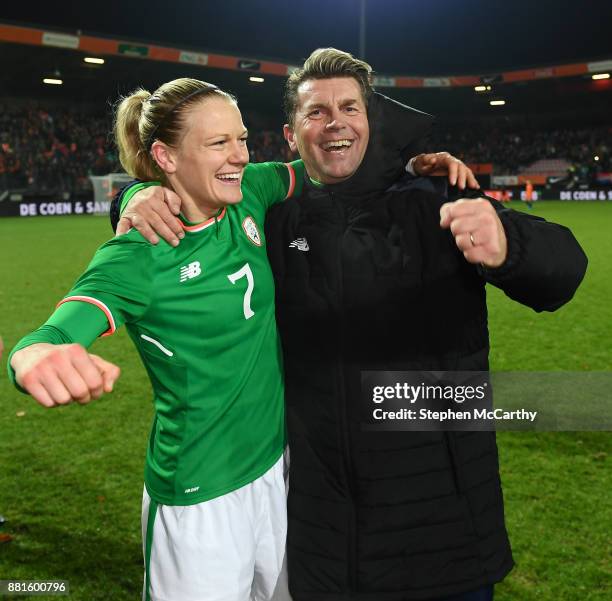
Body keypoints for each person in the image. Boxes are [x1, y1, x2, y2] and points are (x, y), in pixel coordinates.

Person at [117, 49, 588, 601]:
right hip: (323, 546)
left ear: (370, 122)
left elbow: (563, 273)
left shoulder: (432, 198)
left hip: (442, 538)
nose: (335, 122)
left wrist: (511, 245)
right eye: (316, 113)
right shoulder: (266, 219)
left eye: (350, 108)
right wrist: (141, 193)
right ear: (291, 136)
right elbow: (193, 205)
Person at [8, 77, 310, 601]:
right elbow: (59, 327)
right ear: (165, 156)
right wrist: (35, 355)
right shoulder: (138, 253)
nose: (239, 155)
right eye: (218, 143)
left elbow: (320, 168)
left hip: (277, 473)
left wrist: (422, 162)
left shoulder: (250, 193)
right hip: (198, 500)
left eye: (241, 138)